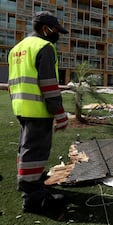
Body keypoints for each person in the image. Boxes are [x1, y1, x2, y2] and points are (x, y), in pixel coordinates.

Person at [8, 11, 69, 213]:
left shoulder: (17, 49)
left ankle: (29, 180)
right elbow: (49, 86)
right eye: (56, 31)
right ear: (46, 29)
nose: (57, 35)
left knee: (26, 147)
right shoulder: (45, 47)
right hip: (38, 108)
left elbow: (12, 83)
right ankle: (33, 197)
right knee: (35, 150)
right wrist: (60, 114)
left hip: (20, 107)